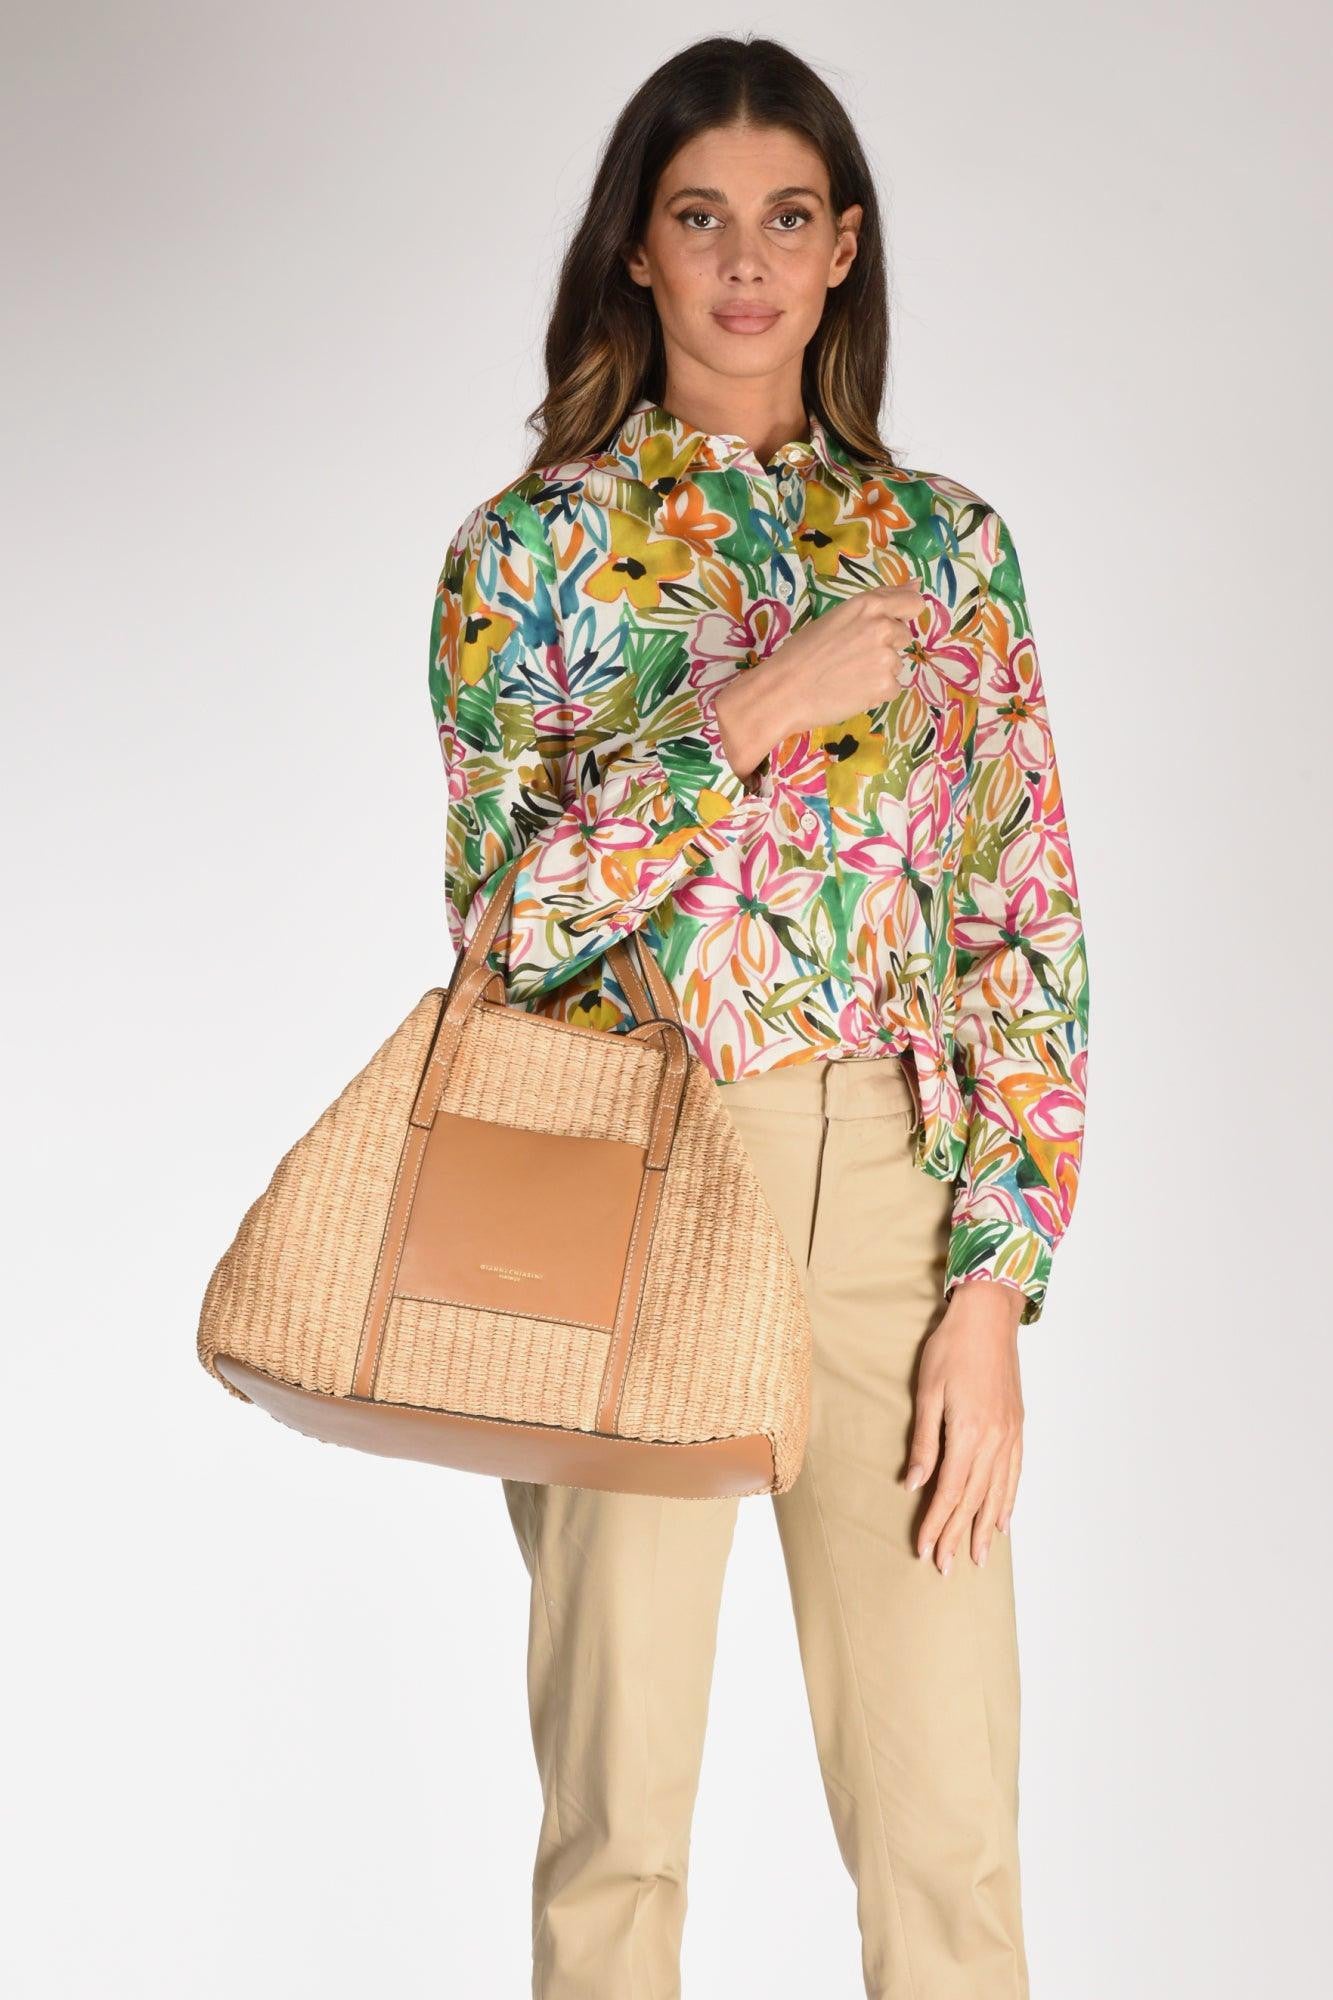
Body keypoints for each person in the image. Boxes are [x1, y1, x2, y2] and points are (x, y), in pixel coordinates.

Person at [428, 33, 1089, 2000]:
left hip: (887, 1190)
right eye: (700, 216)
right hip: (622, 1194)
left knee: (947, 1839)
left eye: (785, 219)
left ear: (840, 249)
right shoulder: (529, 557)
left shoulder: (947, 549)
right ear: (637, 247)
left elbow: (1022, 926)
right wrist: (743, 714)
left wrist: (993, 1284)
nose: (743, 261)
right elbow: (507, 935)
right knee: (618, 1830)